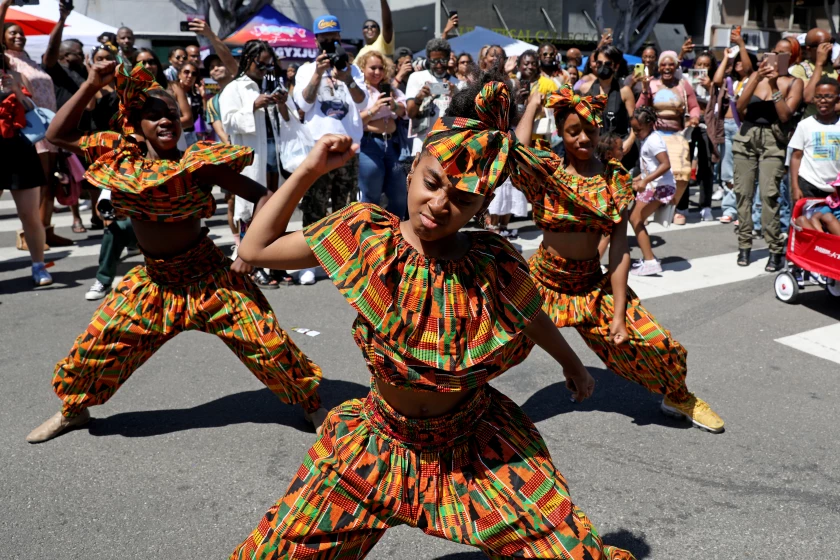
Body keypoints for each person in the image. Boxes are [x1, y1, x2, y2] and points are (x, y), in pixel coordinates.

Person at [230, 75, 636, 560]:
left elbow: (530, 315)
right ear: (411, 171)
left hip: (477, 448)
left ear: (484, 205)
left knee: (571, 553)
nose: (439, 205)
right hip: (375, 446)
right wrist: (309, 170)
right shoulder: (365, 235)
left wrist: (571, 363)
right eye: (432, 183)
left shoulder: (494, 260)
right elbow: (254, 249)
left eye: (463, 199)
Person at [26, 60, 326, 444]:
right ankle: (74, 411)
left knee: (268, 344)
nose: (166, 121)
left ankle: (312, 405)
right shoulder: (119, 156)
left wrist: (251, 250)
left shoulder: (198, 163)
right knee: (95, 349)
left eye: (171, 114)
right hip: (154, 284)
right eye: (154, 116)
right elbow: (56, 133)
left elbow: (266, 196)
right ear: (136, 124)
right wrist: (90, 84)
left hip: (210, 279)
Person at [515, 85, 725, 433]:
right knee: (487, 346)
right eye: (573, 132)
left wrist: (618, 317)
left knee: (659, 343)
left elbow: (618, 249)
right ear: (559, 132)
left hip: (591, 284)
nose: (583, 138)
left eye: (590, 131)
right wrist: (533, 104)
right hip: (543, 283)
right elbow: (517, 153)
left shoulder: (614, 178)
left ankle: (678, 395)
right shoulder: (548, 172)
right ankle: (444, 406)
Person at [293, 15, 368, 285]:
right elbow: (302, 104)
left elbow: (362, 102)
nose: (329, 45)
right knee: (314, 207)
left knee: (344, 207)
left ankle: (340, 262)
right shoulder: (305, 70)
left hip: (348, 148)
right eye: (325, 41)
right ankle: (308, 263)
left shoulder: (352, 69)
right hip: (318, 150)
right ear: (316, 42)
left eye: (334, 39)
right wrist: (317, 73)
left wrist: (347, 78)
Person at [1, 0, 73, 250]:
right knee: (34, 183)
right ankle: (27, 234)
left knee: (50, 181)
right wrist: (5, 5)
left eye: (21, 33)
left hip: (46, 127)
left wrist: (62, 19)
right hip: (26, 130)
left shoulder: (29, 61)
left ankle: (45, 229)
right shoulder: (6, 62)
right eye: (13, 33)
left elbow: (52, 53)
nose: (19, 36)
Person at [220, 40, 292, 289]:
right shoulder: (234, 88)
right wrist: (253, 105)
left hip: (275, 156)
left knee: (276, 208)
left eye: (267, 64)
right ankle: (253, 265)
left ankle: (275, 263)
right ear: (247, 59)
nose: (263, 68)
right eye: (259, 63)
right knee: (252, 211)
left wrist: (281, 102)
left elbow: (289, 119)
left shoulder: (270, 84)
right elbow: (227, 122)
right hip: (254, 158)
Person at [733, 44, 803, 271]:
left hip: (774, 140)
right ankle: (744, 244)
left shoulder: (794, 82)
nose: (775, 56)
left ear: (791, 57)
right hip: (746, 137)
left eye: (783, 53)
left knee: (769, 195)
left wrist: (773, 85)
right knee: (743, 194)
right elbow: (740, 107)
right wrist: (756, 78)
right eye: (774, 51)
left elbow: (784, 115)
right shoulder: (755, 75)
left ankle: (774, 248)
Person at [0, 45, 51, 286]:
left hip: (20, 149)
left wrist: (16, 92)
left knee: (29, 214)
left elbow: (34, 110)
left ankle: (38, 266)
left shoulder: (16, 76)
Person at [637, 50, 700, 226]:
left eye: (670, 64)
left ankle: (670, 206)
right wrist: (644, 91)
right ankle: (647, 209)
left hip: (677, 135)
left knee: (682, 174)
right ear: (658, 67)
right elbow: (639, 109)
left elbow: (694, 106)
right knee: (651, 174)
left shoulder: (683, 85)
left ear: (676, 66)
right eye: (663, 64)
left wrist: (694, 117)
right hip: (655, 135)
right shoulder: (652, 84)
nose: (667, 67)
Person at [356, 50, 407, 217]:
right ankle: (369, 236)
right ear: (362, 68)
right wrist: (374, 109)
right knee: (371, 196)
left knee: (399, 195)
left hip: (392, 145)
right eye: (372, 68)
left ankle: (395, 234)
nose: (377, 72)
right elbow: (355, 121)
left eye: (380, 68)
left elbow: (405, 111)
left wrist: (394, 106)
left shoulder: (391, 89)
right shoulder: (359, 92)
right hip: (369, 145)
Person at [628, 106, 676, 275]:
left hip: (660, 186)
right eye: (633, 129)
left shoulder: (654, 141)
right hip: (655, 185)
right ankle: (649, 258)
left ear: (649, 125)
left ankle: (650, 261)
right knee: (635, 219)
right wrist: (638, 178)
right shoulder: (648, 139)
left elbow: (665, 164)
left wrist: (646, 180)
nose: (635, 133)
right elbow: (651, 167)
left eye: (638, 129)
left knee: (635, 219)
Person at [790, 77, 840, 202]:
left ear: (837, 100)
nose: (822, 101)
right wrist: (795, 187)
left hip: (836, 186)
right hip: (809, 184)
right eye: (818, 97)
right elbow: (796, 156)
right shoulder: (805, 125)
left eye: (828, 97)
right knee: (807, 220)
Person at [405, 37, 457, 155]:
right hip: (422, 144)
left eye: (443, 60)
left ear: (449, 58)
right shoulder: (416, 78)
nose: (438, 65)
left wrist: (456, 95)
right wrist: (419, 98)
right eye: (434, 61)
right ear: (428, 59)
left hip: (448, 146)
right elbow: (410, 113)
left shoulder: (457, 83)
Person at [686, 51, 718, 221]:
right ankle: (681, 205)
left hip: (706, 124)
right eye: (700, 64)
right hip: (689, 124)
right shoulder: (686, 80)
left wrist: (709, 86)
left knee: (706, 166)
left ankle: (706, 205)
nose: (702, 68)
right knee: (684, 164)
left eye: (706, 65)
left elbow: (719, 104)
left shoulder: (715, 83)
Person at [588, 45, 636, 159]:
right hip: (594, 149)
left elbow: (635, 122)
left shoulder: (624, 91)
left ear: (616, 66)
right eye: (599, 63)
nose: (603, 67)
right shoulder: (587, 89)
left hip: (619, 149)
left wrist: (629, 141)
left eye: (608, 63)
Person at [135, 48, 193, 137]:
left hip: (175, 140)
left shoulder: (174, 87)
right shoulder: (130, 94)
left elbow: (188, 119)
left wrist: (164, 125)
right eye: (141, 63)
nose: (147, 66)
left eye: (151, 62)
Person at [790, 28, 839, 118]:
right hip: (812, 123)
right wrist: (819, 64)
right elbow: (809, 98)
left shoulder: (836, 68)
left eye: (831, 43)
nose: (830, 47)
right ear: (809, 49)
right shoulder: (800, 69)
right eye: (824, 45)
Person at [178, 62, 203, 146]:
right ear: (179, 74)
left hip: (192, 137)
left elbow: (204, 117)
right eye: (186, 72)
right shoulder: (171, 92)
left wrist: (203, 98)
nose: (190, 76)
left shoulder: (196, 96)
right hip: (176, 135)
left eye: (194, 74)